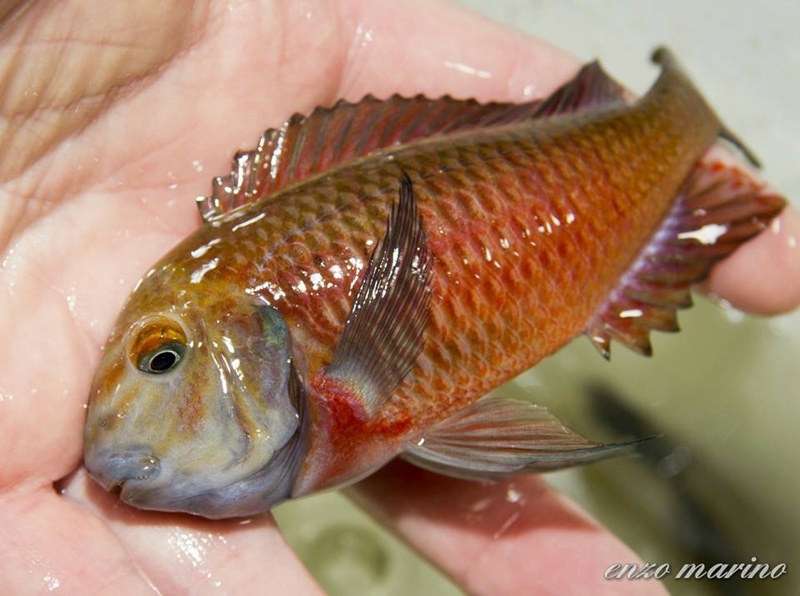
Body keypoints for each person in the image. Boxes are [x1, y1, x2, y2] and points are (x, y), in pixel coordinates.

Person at [1, 1, 798, 593]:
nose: (119, 444)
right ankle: (678, 127)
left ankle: (676, 128)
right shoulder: (314, 378)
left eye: (163, 357)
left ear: (250, 332)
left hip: (596, 210)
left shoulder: (341, 379)